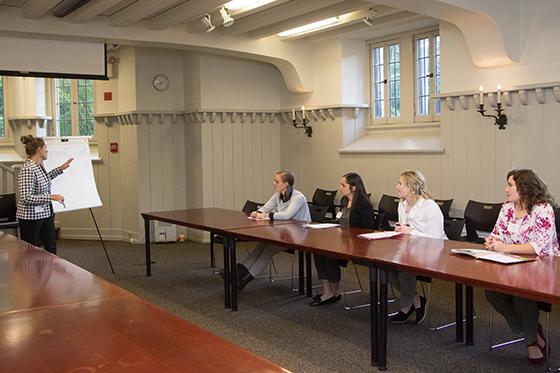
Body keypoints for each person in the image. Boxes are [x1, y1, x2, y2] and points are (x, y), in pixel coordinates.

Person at [484, 169, 558, 365]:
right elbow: (497, 233)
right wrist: (492, 241)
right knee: (492, 292)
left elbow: (538, 247)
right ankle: (532, 331)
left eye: (510, 185)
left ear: (524, 187)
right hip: (511, 264)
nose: (506, 189)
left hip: (543, 267)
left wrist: (503, 247)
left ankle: (531, 341)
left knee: (521, 295)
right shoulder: (507, 207)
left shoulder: (543, 209)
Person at [226, 170, 310, 291]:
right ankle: (237, 273)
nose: (273, 183)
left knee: (268, 250)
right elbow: (265, 208)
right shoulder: (278, 195)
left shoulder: (298, 197)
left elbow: (286, 215)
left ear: (286, 184)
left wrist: (267, 215)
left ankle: (243, 281)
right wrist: (258, 212)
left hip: (299, 235)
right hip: (285, 232)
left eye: (277, 181)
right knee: (261, 245)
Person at [389, 170, 445, 324]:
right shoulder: (402, 204)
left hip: (432, 252)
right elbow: (406, 229)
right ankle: (416, 299)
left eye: (400, 184)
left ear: (412, 187)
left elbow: (436, 238)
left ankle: (405, 307)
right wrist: (401, 230)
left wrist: (411, 231)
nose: (397, 187)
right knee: (385, 267)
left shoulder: (429, 206)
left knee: (405, 268)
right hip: (410, 248)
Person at [310, 172, 375, 306]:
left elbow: (368, 230)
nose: (340, 188)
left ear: (354, 188)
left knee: (329, 254)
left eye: (343, 185)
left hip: (357, 245)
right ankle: (328, 291)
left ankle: (334, 292)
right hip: (341, 240)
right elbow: (341, 221)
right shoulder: (345, 201)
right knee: (318, 251)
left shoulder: (364, 205)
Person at [16, 135, 73, 255]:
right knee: (29, 251)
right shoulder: (28, 169)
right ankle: (29, 273)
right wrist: (51, 197)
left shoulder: (39, 166)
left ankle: (50, 272)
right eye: (45, 147)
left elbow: (44, 179)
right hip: (31, 218)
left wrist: (60, 169)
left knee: (51, 247)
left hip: (45, 214)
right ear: (39, 149)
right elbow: (26, 197)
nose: (47, 150)